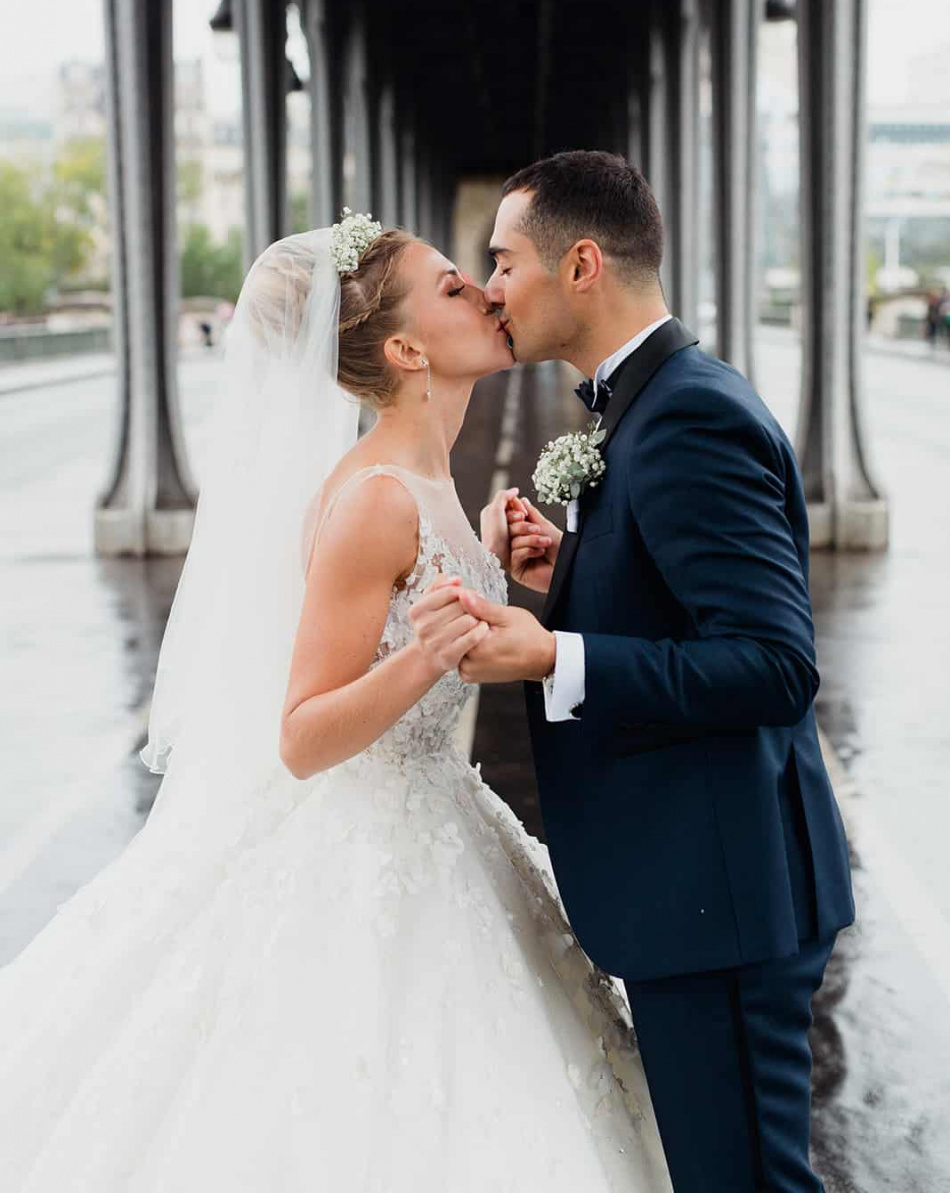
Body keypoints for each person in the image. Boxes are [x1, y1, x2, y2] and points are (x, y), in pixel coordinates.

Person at [0, 217, 669, 1191]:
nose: (484, 292)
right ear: (403, 351)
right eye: (452, 286)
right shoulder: (373, 501)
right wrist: (427, 655)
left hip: (444, 822)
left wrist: (506, 566)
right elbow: (304, 735)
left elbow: (418, 607)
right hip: (370, 847)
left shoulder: (427, 480)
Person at [438, 150, 855, 1193]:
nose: (490, 287)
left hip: (720, 901)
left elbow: (769, 665)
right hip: (702, 890)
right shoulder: (652, 399)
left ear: (579, 264)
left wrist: (554, 652)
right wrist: (571, 567)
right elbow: (684, 595)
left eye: (502, 261)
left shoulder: (685, 417)